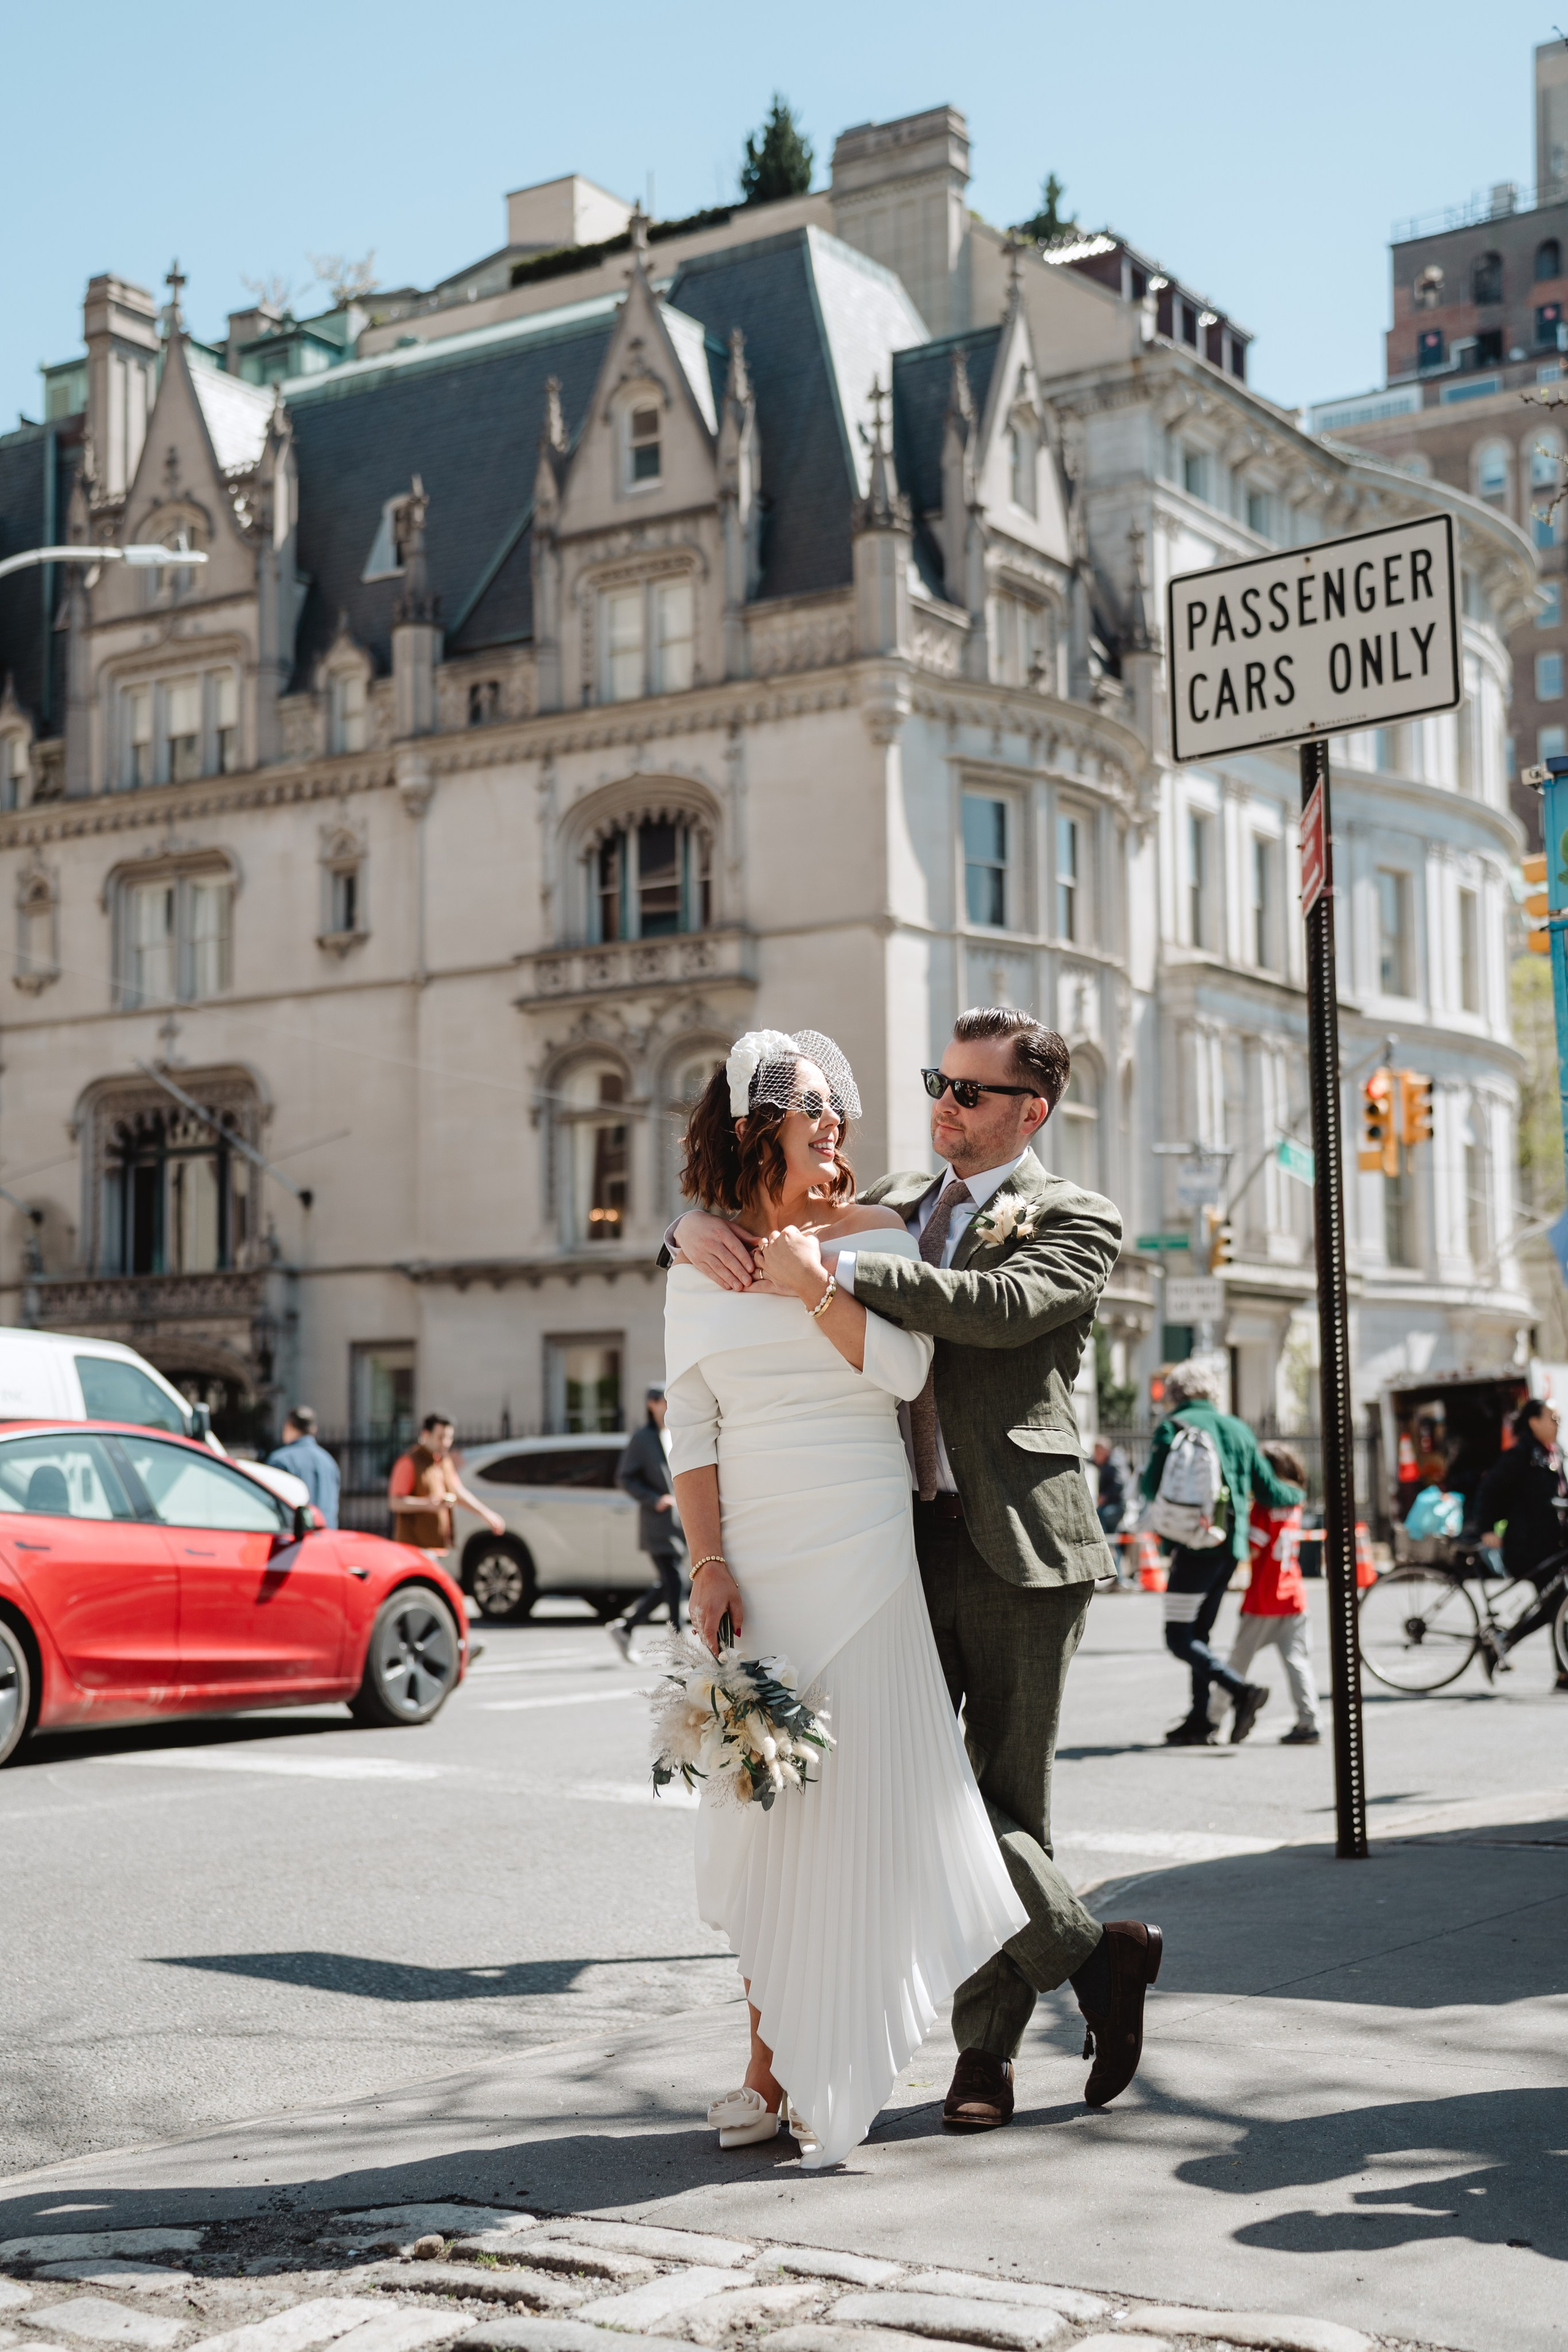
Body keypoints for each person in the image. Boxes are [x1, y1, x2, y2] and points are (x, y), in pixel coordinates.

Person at [669, 1008, 1161, 2141]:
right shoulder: (888, 1200)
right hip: (887, 1539)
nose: (946, 1104)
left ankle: (981, 2058)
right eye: (942, 1081)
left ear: (1030, 1112)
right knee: (901, 1786)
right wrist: (686, 1232)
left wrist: (829, 1273)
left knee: (996, 1795)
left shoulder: (1077, 1217)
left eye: (974, 1092)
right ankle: (1101, 1955)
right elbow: (761, 1204)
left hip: (1016, 1546)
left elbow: (998, 1312)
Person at [666, 1025, 1027, 2168]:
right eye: (811, 1104)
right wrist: (709, 1562)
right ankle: (768, 2067)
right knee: (766, 1814)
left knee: (855, 1812)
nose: (834, 1123)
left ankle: (832, 2066)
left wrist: (817, 1285)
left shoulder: (880, 1230)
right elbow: (692, 1424)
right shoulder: (698, 1254)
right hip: (760, 1559)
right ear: (754, 1120)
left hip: (864, 1544)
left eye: (839, 1107)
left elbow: (908, 1374)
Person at [1142, 1362, 1303, 1747]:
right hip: (1229, 1549)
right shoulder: (1238, 1429)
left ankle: (1242, 1691)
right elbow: (1270, 1491)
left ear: (1176, 1394)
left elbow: (1151, 1486)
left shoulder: (1173, 1426)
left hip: (1193, 1546)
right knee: (1200, 1633)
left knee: (1179, 1637)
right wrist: (1300, 1495)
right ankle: (1200, 1721)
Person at [1207, 1441, 1321, 1746]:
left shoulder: (1263, 1508)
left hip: (1263, 1598)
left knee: (1236, 1664)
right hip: (1293, 1595)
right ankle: (1309, 1721)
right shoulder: (1296, 1502)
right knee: (1298, 1662)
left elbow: (1254, 1552)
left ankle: (1213, 1720)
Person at [1473, 1396, 1568, 1691]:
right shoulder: (1521, 1455)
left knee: (1557, 1604)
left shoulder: (1554, 1453)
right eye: (1552, 1418)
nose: (1557, 1423)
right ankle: (1507, 1645)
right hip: (1527, 1545)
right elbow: (1490, 1489)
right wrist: (1486, 1527)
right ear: (1534, 1422)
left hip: (1552, 1543)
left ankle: (1561, 1671)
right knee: (1557, 1602)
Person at [609, 1386, 684, 1660]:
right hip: (657, 1523)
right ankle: (678, 1647)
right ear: (652, 1404)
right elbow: (625, 1477)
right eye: (664, 1400)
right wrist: (654, 1499)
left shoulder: (675, 1433)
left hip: (679, 1523)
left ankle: (626, 1627)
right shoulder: (642, 1439)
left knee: (668, 1584)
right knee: (673, 1582)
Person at [388, 1412, 503, 1559]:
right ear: (426, 1435)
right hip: (414, 1549)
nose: (446, 1443)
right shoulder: (409, 1462)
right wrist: (426, 1504)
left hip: (438, 1547)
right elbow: (395, 1502)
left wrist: (486, 1514)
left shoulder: (444, 1461)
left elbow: (458, 1492)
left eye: (449, 1438)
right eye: (441, 1437)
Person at [267, 1406, 341, 1529]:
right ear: (314, 1429)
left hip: (294, 1539)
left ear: (289, 1425)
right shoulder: (329, 1462)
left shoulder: (281, 1460)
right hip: (327, 1537)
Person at [1093, 1436, 1130, 1540]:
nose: (1096, 1456)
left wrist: (1105, 1497)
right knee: (1112, 1535)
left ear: (1106, 1451)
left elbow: (1119, 1484)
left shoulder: (1114, 1464)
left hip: (1117, 1506)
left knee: (1099, 1517)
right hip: (1111, 1505)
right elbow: (1093, 1461)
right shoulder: (1105, 1462)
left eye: (1098, 1452)